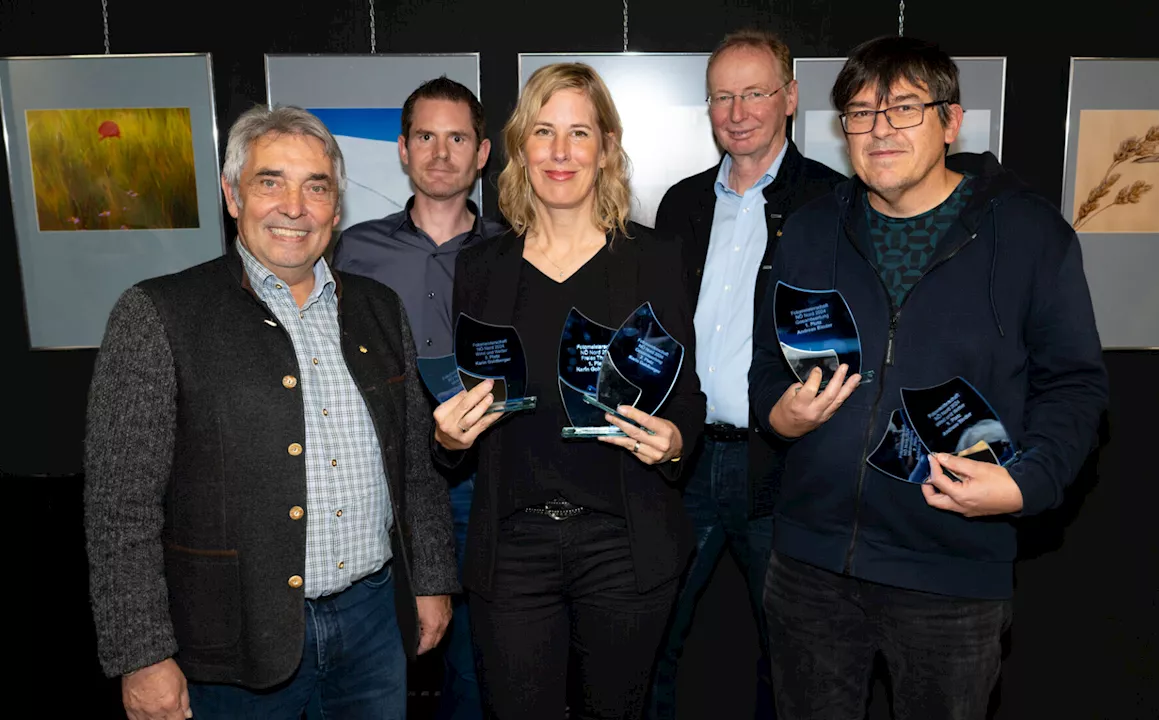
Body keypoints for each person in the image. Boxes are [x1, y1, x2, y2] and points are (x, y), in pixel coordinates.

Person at [749, 36, 1109, 720]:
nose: (879, 129)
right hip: (808, 566)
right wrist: (777, 413)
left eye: (904, 108)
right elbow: (770, 362)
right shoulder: (809, 229)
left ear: (952, 121)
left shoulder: (1031, 236)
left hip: (950, 571)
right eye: (860, 112)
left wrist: (1028, 481)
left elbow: (1076, 385)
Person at [83, 105, 459, 720]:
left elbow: (416, 466)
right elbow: (118, 506)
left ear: (337, 210)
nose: (294, 206)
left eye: (316, 187)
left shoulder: (377, 307)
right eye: (270, 181)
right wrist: (142, 654)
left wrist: (432, 580)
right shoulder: (158, 314)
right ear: (233, 196)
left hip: (371, 627)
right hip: (232, 645)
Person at [431, 62, 704, 719]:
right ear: (522, 148)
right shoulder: (479, 267)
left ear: (606, 148)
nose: (560, 152)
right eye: (544, 132)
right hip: (514, 544)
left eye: (579, 133)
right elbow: (468, 402)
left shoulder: (656, 258)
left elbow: (686, 393)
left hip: (624, 544)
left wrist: (674, 443)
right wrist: (445, 440)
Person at [648, 29, 843, 720]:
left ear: (790, 97)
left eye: (755, 92)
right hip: (684, 460)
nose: (737, 111)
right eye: (722, 96)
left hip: (783, 466)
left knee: (797, 658)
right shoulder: (680, 205)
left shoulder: (834, 203)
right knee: (649, 643)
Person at [331, 75, 505, 720]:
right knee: (383, 657)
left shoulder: (512, 249)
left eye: (457, 137)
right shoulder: (353, 250)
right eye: (425, 136)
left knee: (478, 659)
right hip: (387, 485)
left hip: (487, 478)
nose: (440, 152)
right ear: (403, 149)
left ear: (481, 153)